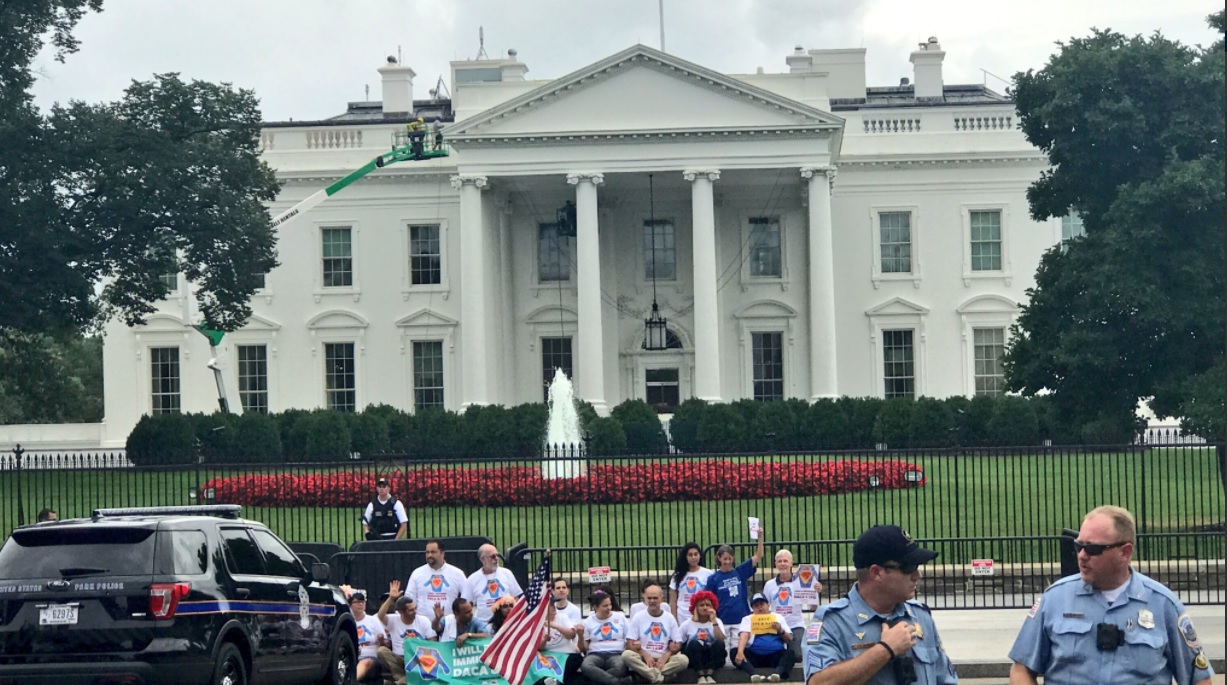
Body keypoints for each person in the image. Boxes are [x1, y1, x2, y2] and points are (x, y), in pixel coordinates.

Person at [1008, 505, 1214, 685]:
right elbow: (1021, 670)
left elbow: (1199, 678)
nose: (1081, 555)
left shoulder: (1163, 605)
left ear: (1125, 552)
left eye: (1093, 549)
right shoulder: (1055, 599)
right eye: (1079, 546)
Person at [804, 525, 957, 685]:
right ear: (876, 572)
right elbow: (818, 682)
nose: (917, 575)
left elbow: (946, 679)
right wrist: (885, 649)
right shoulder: (832, 621)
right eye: (908, 567)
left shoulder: (920, 616)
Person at [707, 531, 765, 662]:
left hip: (740, 617)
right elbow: (709, 600)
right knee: (723, 650)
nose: (727, 562)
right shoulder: (713, 578)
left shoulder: (739, 571)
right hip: (723, 618)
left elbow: (758, 556)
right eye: (724, 559)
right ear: (719, 559)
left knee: (737, 649)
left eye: (729, 559)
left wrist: (760, 537)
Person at [623, 581, 689, 683]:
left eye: (655, 598)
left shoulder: (669, 617)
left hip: (664, 658)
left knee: (683, 660)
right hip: (644, 657)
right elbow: (630, 643)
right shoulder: (638, 617)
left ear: (661, 599)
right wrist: (645, 654)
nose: (652, 601)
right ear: (644, 599)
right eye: (649, 598)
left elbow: (678, 643)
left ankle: (649, 675)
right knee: (626, 655)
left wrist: (665, 657)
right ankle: (659, 677)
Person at [377, 581, 437, 685]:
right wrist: (391, 599)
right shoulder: (394, 620)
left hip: (418, 658)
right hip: (400, 658)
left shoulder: (423, 620)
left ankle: (401, 681)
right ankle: (402, 679)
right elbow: (380, 615)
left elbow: (433, 641)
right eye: (411, 610)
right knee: (381, 651)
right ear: (401, 612)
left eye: (415, 608)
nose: (415, 611)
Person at [763, 549, 821, 657]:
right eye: (779, 561)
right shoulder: (769, 585)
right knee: (770, 654)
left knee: (798, 656)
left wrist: (815, 593)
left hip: (795, 626)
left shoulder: (801, 582)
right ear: (775, 564)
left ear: (791, 563)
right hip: (776, 626)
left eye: (785, 561)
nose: (782, 564)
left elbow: (813, 608)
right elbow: (765, 607)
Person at [407, 539, 467, 630]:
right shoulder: (417, 573)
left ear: (442, 553)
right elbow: (409, 599)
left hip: (448, 626)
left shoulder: (457, 574)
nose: (429, 555)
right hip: (423, 627)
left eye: (433, 552)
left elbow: (466, 598)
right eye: (427, 552)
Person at [735, 593, 795, 682]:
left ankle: (777, 674)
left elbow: (789, 639)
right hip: (755, 656)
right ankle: (754, 674)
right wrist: (740, 652)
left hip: (775, 656)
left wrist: (780, 630)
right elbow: (744, 636)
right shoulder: (748, 619)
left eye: (762, 604)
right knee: (734, 652)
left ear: (768, 605)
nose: (760, 608)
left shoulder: (778, 617)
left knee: (790, 653)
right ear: (752, 608)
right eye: (756, 606)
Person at [578, 589, 631, 685]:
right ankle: (618, 682)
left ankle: (595, 682)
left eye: (609, 604)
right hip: (595, 653)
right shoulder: (588, 621)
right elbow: (583, 648)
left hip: (616, 653)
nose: (609, 608)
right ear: (596, 607)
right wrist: (580, 635)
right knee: (586, 666)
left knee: (620, 667)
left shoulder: (620, 617)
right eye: (605, 606)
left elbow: (629, 637)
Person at [463, 543, 523, 623]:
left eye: (497, 555)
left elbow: (517, 597)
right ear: (483, 559)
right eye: (492, 556)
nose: (496, 559)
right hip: (484, 624)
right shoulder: (472, 579)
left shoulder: (507, 573)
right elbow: (466, 603)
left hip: (506, 622)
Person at [679, 590, 726, 684]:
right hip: (695, 658)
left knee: (719, 644)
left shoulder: (717, 621)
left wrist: (714, 621)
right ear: (695, 607)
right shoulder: (687, 624)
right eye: (701, 605)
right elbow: (678, 642)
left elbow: (721, 639)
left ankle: (709, 675)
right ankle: (700, 676)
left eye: (708, 605)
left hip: (711, 657)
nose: (705, 608)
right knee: (693, 643)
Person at [537, 600, 583, 685]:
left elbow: (571, 635)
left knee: (575, 660)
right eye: (550, 605)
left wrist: (555, 625)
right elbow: (539, 647)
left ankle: (553, 681)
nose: (553, 607)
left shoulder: (563, 617)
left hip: (567, 654)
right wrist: (544, 640)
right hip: (548, 656)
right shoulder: (537, 623)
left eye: (553, 604)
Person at [670, 542, 713, 621]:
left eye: (696, 554)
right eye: (690, 555)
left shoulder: (708, 574)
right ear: (685, 557)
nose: (693, 557)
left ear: (700, 555)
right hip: (682, 616)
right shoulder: (677, 575)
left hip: (701, 617)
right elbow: (673, 600)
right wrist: (674, 619)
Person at [348, 591, 385, 683]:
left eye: (363, 602)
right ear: (350, 605)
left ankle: (351, 682)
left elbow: (385, 643)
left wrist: (381, 640)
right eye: (357, 602)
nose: (360, 604)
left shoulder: (373, 620)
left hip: (371, 658)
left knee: (365, 663)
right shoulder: (347, 621)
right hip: (352, 657)